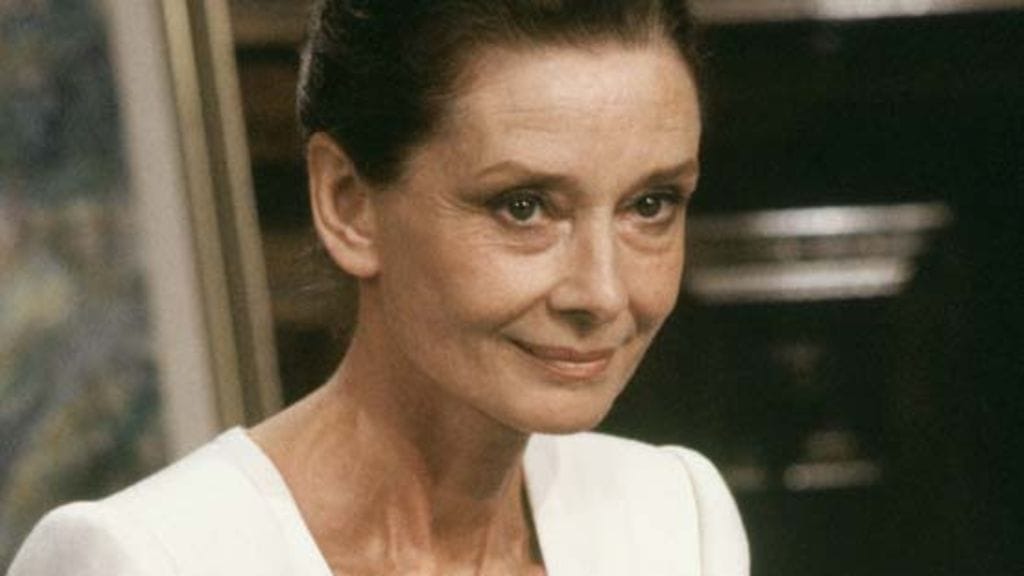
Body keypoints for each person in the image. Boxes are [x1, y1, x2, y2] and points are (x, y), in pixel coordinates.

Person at [8, 0, 748, 574]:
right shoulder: (142, 560)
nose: (604, 293)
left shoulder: (675, 519)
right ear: (348, 203)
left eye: (650, 205)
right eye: (523, 207)